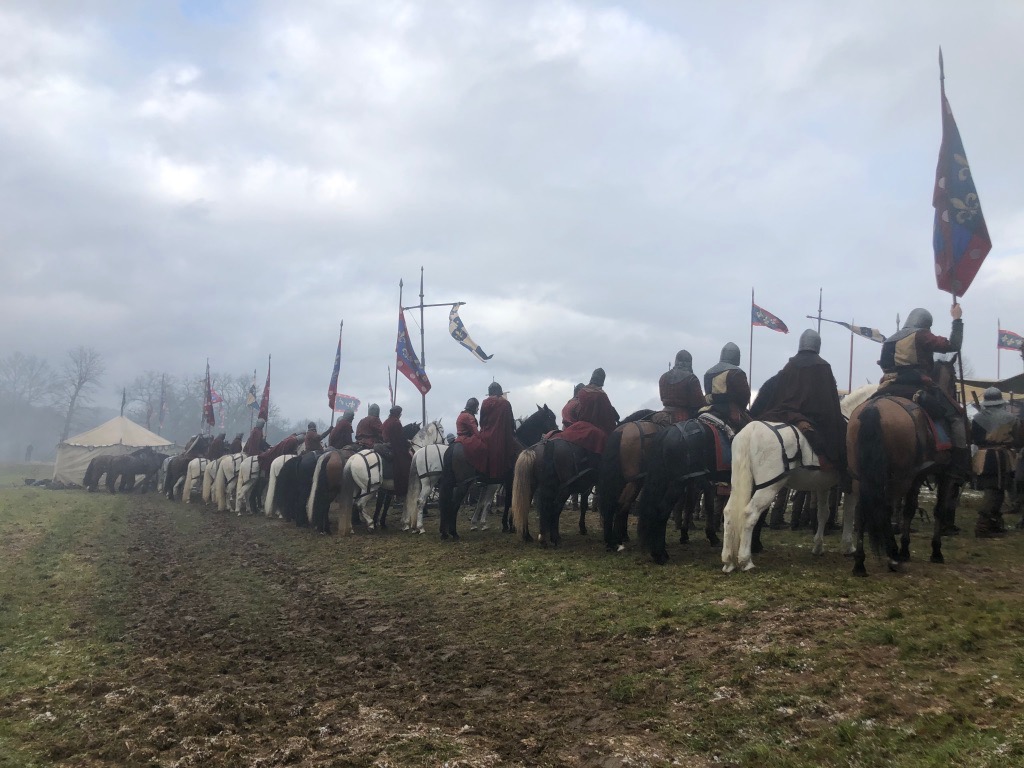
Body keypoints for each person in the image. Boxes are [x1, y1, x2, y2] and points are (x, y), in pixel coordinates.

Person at [876, 303, 969, 480]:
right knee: (956, 415)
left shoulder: (889, 340)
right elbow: (953, 345)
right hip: (917, 384)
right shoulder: (921, 334)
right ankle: (958, 464)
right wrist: (957, 320)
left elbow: (884, 365)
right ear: (926, 324)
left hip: (887, 386)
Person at [749, 329, 846, 469]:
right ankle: (831, 464)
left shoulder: (790, 365)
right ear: (817, 345)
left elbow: (777, 392)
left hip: (784, 412)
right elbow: (828, 402)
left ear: (801, 343)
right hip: (813, 417)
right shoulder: (822, 366)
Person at [970, 387, 1018, 537]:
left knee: (996, 490)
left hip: (983, 456)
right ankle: (983, 527)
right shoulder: (1010, 418)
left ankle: (994, 523)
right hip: (1000, 456)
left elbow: (974, 438)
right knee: (993, 491)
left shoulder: (977, 418)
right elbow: (1017, 439)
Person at [559, 368, 619, 456]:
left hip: (576, 425)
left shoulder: (582, 392)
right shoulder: (601, 395)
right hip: (591, 427)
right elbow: (608, 416)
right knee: (605, 440)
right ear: (602, 380)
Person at [701, 342, 752, 431]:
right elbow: (745, 395)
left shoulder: (708, 372)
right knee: (751, 430)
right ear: (737, 356)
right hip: (729, 411)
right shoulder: (736, 372)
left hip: (707, 409)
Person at [658, 350, 705, 423]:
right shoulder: (691, 378)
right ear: (689, 362)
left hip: (664, 412)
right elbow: (699, 402)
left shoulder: (663, 377)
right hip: (683, 416)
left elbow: (662, 398)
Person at [381, 405, 410, 499]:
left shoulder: (386, 421)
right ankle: (402, 489)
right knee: (405, 462)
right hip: (393, 445)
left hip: (385, 444)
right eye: (400, 413)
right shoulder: (396, 423)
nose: (400, 415)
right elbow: (399, 438)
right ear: (398, 413)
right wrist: (407, 443)